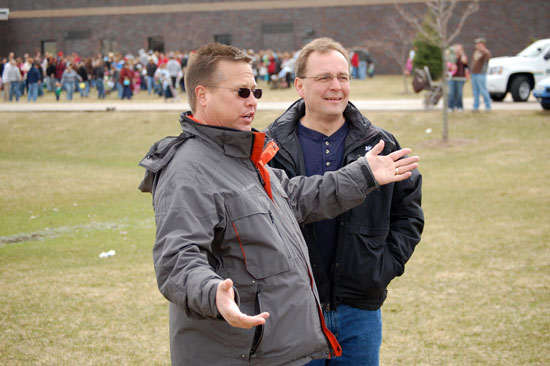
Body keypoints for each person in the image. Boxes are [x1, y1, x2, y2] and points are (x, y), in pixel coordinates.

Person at [138, 42, 419, 366]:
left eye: (256, 92)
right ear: (202, 95)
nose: (252, 102)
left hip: (270, 346)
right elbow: (177, 259)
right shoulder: (188, 170)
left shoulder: (240, 157)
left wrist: (364, 174)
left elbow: (299, 195)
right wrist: (213, 292)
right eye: (242, 92)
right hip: (233, 349)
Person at [265, 37, 424, 366]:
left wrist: (382, 267)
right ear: (299, 85)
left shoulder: (379, 144)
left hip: (359, 311)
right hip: (293, 311)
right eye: (323, 78)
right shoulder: (270, 148)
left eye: (343, 77)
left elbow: (408, 212)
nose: (336, 86)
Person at [471, 37, 492, 112]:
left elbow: (486, 64)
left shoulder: (485, 53)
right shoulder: (477, 52)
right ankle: (475, 106)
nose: (477, 45)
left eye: (478, 44)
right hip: (474, 74)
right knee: (475, 91)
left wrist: (482, 72)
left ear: (482, 44)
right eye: (476, 44)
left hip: (481, 74)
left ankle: (488, 106)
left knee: (483, 90)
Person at [448, 44, 469, 112]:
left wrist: (462, 54)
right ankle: (451, 107)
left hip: (460, 78)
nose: (458, 50)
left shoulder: (462, 57)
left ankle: (459, 106)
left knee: (459, 93)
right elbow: (448, 65)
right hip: (452, 78)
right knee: (451, 93)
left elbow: (465, 62)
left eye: (459, 49)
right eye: (457, 49)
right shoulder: (451, 57)